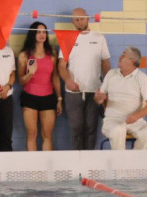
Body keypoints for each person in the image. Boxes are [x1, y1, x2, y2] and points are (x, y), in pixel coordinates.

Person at [58, 8, 110, 151]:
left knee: (91, 128)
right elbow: (61, 65)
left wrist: (108, 87)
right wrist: (68, 81)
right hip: (73, 92)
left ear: (88, 18)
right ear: (72, 22)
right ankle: (77, 162)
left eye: (81, 18)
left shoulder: (99, 38)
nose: (79, 21)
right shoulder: (67, 38)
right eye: (76, 19)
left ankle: (89, 162)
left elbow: (106, 65)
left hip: (94, 91)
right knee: (76, 128)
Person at [95, 47, 147, 150]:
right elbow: (98, 99)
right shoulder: (111, 74)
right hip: (112, 120)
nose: (120, 57)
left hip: (135, 121)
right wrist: (99, 98)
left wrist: (136, 116)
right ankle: (120, 165)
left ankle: (133, 164)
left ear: (132, 60)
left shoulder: (142, 78)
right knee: (118, 130)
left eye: (123, 55)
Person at [17, 21, 61, 151]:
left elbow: (55, 77)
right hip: (29, 97)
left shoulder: (52, 54)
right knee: (32, 134)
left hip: (48, 97)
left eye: (44, 32)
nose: (42, 35)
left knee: (47, 135)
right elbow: (21, 80)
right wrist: (30, 74)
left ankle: (47, 168)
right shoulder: (24, 55)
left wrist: (59, 98)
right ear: (33, 34)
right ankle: (33, 168)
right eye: (38, 32)